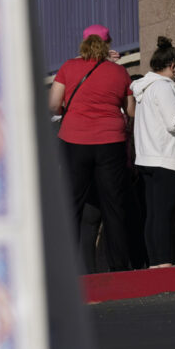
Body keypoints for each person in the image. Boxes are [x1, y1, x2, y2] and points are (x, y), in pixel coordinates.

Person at [49, 24, 134, 271]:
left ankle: (65, 268)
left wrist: (71, 111)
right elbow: (130, 110)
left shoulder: (68, 67)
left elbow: (54, 104)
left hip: (74, 140)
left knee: (72, 203)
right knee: (114, 206)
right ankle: (119, 267)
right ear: (108, 44)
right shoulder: (119, 72)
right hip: (111, 142)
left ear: (83, 43)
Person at [131, 36, 175, 268]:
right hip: (166, 158)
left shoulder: (143, 88)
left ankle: (155, 261)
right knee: (163, 214)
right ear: (172, 66)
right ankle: (164, 260)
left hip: (146, 157)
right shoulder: (164, 87)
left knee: (153, 214)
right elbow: (174, 123)